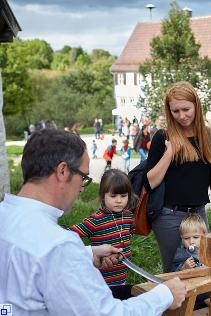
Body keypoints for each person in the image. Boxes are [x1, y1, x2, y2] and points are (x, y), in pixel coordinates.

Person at [0, 128, 186, 315]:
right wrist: (165, 295)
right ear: (63, 171)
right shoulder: (59, 246)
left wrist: (87, 253)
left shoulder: (6, 215)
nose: (81, 187)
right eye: (84, 177)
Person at [146, 81, 211, 273]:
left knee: (203, 267)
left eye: (186, 109)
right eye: (175, 111)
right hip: (169, 216)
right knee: (174, 271)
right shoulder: (162, 137)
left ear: (196, 105)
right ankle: (175, 304)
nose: (181, 116)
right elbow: (150, 182)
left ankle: (200, 304)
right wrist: (169, 152)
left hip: (199, 215)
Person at [69, 169, 135, 296]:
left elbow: (129, 233)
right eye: (113, 196)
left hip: (121, 277)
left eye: (123, 196)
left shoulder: (128, 216)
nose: (119, 200)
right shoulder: (95, 220)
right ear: (103, 196)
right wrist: (90, 252)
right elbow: (67, 235)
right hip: (101, 281)